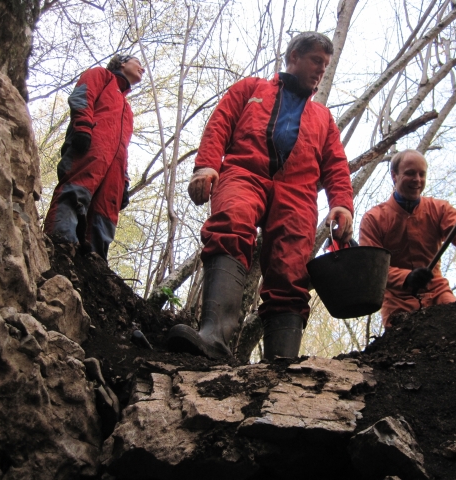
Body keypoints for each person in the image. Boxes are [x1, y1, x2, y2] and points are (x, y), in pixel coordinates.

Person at [167, 32, 354, 360]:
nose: (321, 70)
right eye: (315, 61)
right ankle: (213, 336)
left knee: (291, 268)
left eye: (325, 66)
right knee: (230, 224)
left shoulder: (323, 118)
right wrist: (207, 167)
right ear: (294, 57)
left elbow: (336, 164)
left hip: (298, 193)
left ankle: (282, 363)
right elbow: (219, 124)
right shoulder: (251, 89)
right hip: (244, 172)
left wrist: (341, 204)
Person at [359, 149, 456, 327]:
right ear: (394, 176)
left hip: (438, 293)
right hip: (397, 302)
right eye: (410, 173)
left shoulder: (439, 209)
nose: (417, 180)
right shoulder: (374, 219)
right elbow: (373, 270)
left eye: (421, 174)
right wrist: (406, 277)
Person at [44, 54, 144, 259]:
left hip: (114, 169)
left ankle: (94, 266)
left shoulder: (127, 108)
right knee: (76, 192)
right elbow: (82, 96)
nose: (142, 68)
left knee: (105, 214)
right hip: (90, 147)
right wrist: (82, 127)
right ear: (123, 62)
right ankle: (59, 249)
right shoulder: (101, 75)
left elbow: (123, 147)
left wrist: (124, 180)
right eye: (139, 63)